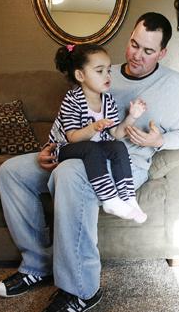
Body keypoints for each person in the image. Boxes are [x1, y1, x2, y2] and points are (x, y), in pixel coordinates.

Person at [0, 12, 179, 312]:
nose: (136, 55)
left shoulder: (174, 85)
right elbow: (71, 116)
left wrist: (160, 140)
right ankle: (37, 263)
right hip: (80, 148)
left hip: (122, 162)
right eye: (133, 44)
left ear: (162, 53)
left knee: (70, 174)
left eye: (147, 50)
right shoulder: (104, 72)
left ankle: (81, 290)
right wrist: (52, 145)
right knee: (12, 171)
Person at [49, 43, 147, 223]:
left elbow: (117, 133)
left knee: (117, 146)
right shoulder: (72, 100)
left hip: (93, 146)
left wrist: (132, 117)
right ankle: (110, 199)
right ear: (80, 75)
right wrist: (94, 127)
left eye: (109, 70)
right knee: (91, 149)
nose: (107, 76)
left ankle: (128, 198)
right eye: (99, 71)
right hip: (64, 148)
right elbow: (72, 137)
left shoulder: (107, 100)